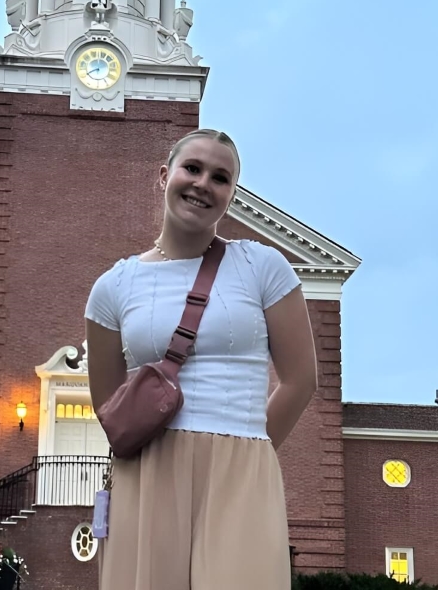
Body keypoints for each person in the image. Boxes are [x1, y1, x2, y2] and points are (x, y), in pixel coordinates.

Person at [84, 129, 319, 589]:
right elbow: (109, 403)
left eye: (220, 177)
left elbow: (300, 379)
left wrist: (250, 448)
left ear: (232, 194)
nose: (202, 183)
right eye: (192, 168)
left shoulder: (262, 267)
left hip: (241, 468)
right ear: (164, 175)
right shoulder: (112, 287)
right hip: (147, 470)